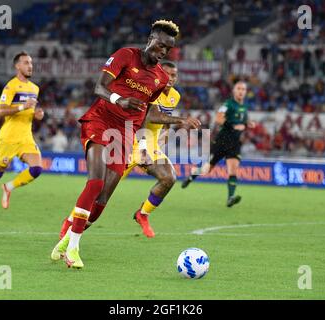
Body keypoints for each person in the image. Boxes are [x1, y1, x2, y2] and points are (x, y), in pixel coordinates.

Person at [51, 20, 200, 269]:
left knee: (102, 201)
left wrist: (168, 127)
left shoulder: (160, 79)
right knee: (95, 181)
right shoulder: (125, 55)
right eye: (161, 44)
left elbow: (147, 114)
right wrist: (119, 99)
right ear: (151, 38)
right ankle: (74, 249)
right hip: (99, 120)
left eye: (168, 49)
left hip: (124, 134)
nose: (163, 51)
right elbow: (99, 87)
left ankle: (67, 239)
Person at [0, 51, 45, 223]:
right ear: (17, 66)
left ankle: (9, 187)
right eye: (26, 63)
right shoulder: (10, 86)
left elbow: (31, 110)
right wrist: (21, 107)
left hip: (26, 137)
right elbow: (0, 111)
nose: (30, 66)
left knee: (37, 169)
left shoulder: (35, 88)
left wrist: (37, 114)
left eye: (31, 63)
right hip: (9, 138)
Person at [121, 61, 181, 238]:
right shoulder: (150, 90)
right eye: (167, 74)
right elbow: (146, 120)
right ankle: (72, 224)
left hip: (151, 144)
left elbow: (164, 120)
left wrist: (164, 137)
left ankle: (143, 214)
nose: (170, 78)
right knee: (101, 192)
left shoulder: (175, 96)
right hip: (129, 141)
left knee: (168, 178)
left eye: (174, 75)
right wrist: (142, 148)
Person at [181, 81, 255, 207]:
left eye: (243, 89)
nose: (241, 91)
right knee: (207, 170)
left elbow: (244, 120)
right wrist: (233, 125)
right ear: (234, 91)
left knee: (233, 170)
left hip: (235, 143)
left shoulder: (244, 107)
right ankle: (192, 175)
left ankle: (230, 197)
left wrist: (249, 123)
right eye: (239, 88)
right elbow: (218, 119)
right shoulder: (228, 104)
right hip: (222, 141)